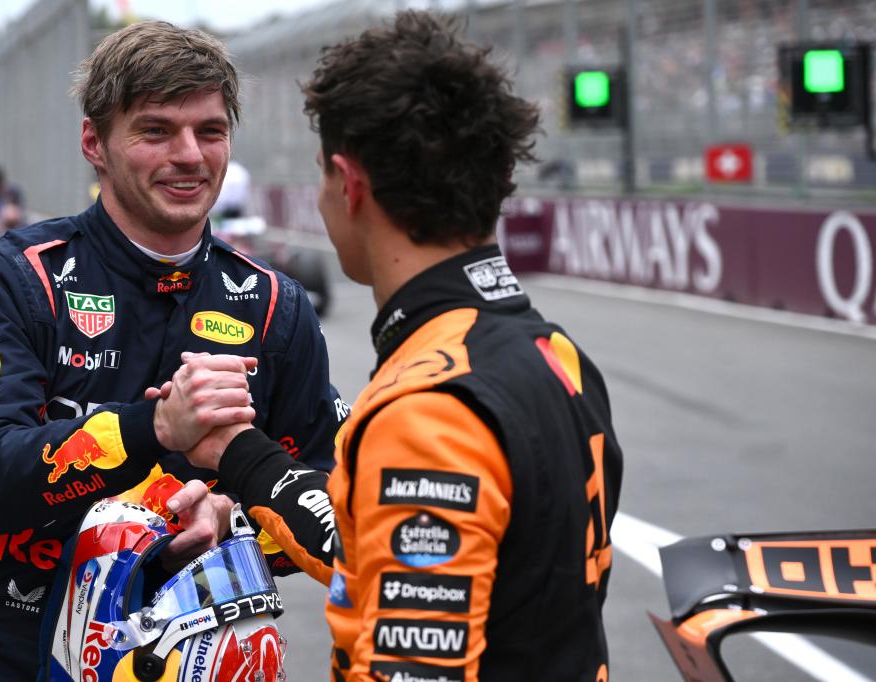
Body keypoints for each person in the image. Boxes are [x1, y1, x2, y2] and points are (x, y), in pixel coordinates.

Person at [184, 12, 623, 681]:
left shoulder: (429, 410)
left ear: (349, 183)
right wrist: (242, 455)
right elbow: (385, 546)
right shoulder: (555, 355)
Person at [0, 20, 345, 682]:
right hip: (9, 652)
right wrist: (152, 429)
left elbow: (332, 500)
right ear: (94, 141)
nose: (189, 155)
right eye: (155, 131)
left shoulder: (274, 306)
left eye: (209, 131)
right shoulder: (15, 278)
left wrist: (234, 518)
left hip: (205, 655)